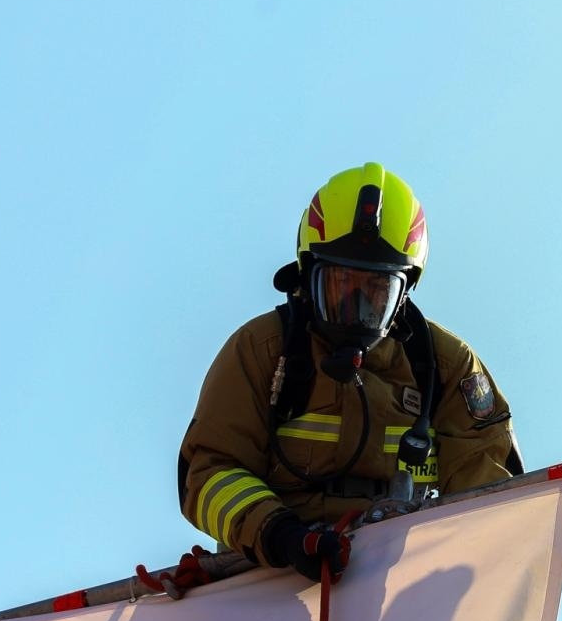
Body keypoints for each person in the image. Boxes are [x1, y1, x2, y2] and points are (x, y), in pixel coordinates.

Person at [178, 162, 522, 582]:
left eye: (377, 289)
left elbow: (491, 497)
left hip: (402, 578)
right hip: (273, 578)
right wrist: (282, 535)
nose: (357, 307)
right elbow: (208, 477)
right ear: (308, 275)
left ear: (404, 293)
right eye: (341, 283)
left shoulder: (446, 367)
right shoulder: (262, 350)